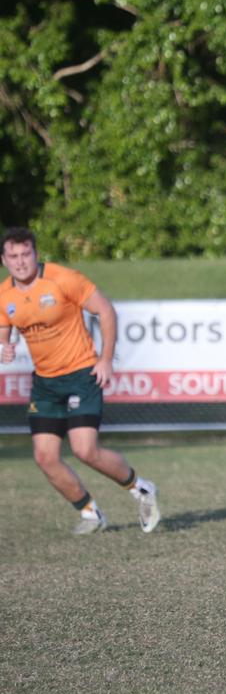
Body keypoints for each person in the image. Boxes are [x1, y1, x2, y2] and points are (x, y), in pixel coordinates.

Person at [0, 227, 160, 534]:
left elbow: (106, 311)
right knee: (45, 457)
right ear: (4, 260)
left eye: (26, 254)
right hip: (45, 384)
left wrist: (105, 359)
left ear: (35, 254)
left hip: (81, 375)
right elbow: (5, 325)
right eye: (13, 256)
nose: (20, 262)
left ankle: (141, 489)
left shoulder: (63, 278)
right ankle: (90, 513)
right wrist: (6, 345)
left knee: (85, 450)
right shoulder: (4, 294)